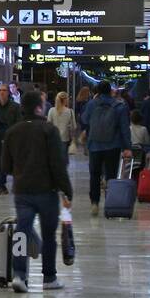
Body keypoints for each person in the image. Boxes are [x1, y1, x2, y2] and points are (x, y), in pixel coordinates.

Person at [0, 91, 74, 294]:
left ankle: (19, 275)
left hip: (22, 191)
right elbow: (58, 164)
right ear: (39, 108)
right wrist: (67, 190)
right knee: (49, 235)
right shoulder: (49, 130)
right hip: (46, 191)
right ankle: (49, 277)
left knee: (21, 232)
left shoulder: (13, 132)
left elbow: (5, 166)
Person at [82, 80, 132, 216]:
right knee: (110, 176)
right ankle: (110, 202)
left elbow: (85, 120)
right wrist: (127, 147)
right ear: (110, 90)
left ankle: (94, 203)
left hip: (94, 145)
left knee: (94, 174)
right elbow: (124, 128)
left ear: (97, 91)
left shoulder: (91, 104)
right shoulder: (119, 106)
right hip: (113, 145)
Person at [0, 84, 21, 194]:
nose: (2, 92)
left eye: (4, 90)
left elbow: (18, 124)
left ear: (8, 92)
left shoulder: (15, 107)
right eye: (0, 90)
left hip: (10, 139)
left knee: (7, 163)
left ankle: (4, 185)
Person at [46, 91, 76, 168]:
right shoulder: (70, 111)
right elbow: (74, 127)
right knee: (63, 160)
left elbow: (48, 125)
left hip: (53, 139)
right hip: (65, 139)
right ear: (66, 100)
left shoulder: (51, 110)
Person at [74, 85, 92, 156]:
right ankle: (87, 149)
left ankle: (85, 149)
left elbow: (77, 110)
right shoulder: (89, 101)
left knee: (84, 133)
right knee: (88, 133)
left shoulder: (78, 99)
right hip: (87, 117)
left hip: (81, 118)